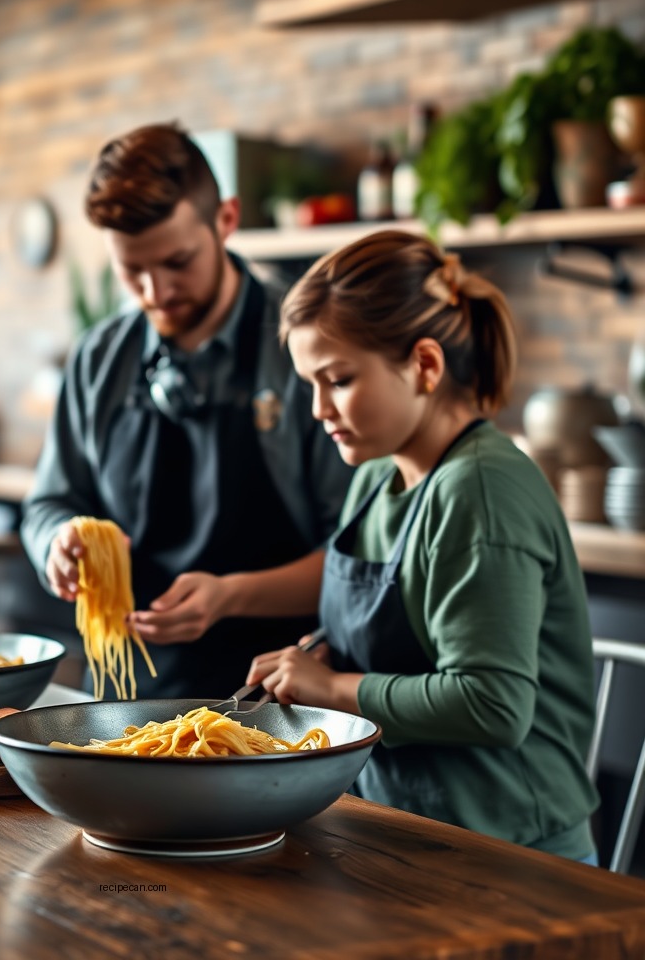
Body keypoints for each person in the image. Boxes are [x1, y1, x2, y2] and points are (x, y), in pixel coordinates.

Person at [139, 230, 599, 861]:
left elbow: (493, 703)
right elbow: (388, 595)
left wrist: (330, 688)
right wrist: (296, 639)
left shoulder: (481, 490)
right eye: (309, 383)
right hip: (401, 827)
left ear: (426, 366)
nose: (319, 408)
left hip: (510, 853)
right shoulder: (377, 476)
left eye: (339, 379)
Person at [20, 122, 353, 699]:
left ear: (226, 219)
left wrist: (231, 596)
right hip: (125, 702)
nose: (156, 291)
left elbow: (357, 556)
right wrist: (58, 540)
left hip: (280, 702)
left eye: (177, 261)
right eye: (132, 270)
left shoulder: (304, 346)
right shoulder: (101, 358)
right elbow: (50, 501)